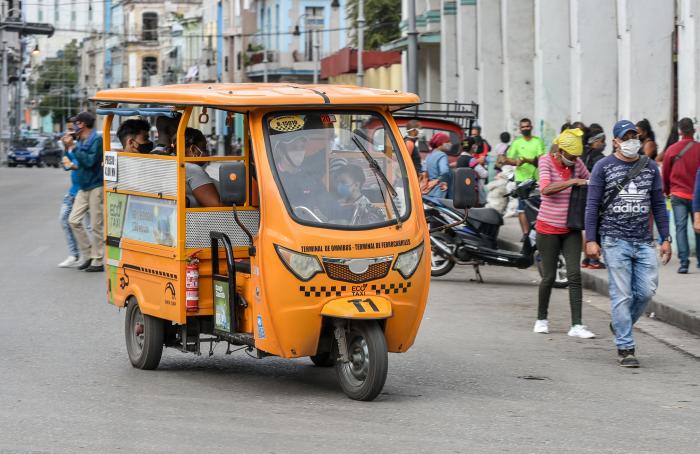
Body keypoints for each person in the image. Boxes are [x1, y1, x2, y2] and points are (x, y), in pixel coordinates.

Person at [585, 119, 672, 368]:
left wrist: (666, 238)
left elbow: (658, 204)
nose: (632, 142)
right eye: (626, 138)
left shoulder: (650, 168)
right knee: (621, 295)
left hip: (644, 240)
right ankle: (626, 347)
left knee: (646, 292)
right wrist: (591, 239)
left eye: (635, 137)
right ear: (615, 142)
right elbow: (592, 206)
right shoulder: (603, 167)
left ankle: (620, 324)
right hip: (614, 239)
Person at [532, 128, 594, 339]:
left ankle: (577, 324)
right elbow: (546, 188)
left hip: (571, 228)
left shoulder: (577, 164)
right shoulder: (545, 161)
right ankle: (541, 319)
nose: (574, 160)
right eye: (571, 156)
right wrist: (572, 182)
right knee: (549, 276)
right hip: (547, 228)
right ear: (559, 152)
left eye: (577, 157)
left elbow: (591, 180)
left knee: (575, 275)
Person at [67, 111, 105, 272]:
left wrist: (73, 148)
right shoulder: (81, 140)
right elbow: (81, 162)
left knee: (96, 225)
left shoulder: (96, 140)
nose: (73, 126)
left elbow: (89, 161)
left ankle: (98, 260)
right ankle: (88, 254)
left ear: (82, 124)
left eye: (76, 123)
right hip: (83, 187)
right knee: (73, 220)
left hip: (96, 186)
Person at [661, 117, 700, 273]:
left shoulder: (671, 150)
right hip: (697, 196)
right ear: (694, 130)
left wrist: (667, 190)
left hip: (677, 194)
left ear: (679, 132)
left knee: (680, 228)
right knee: (698, 226)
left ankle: (684, 263)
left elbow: (665, 173)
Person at [503, 118, 546, 234]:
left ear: (531, 127)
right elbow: (508, 158)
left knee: (538, 206)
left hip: (536, 179)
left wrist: (527, 160)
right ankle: (525, 234)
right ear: (520, 129)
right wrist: (515, 162)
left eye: (527, 126)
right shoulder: (517, 142)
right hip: (521, 179)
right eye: (523, 127)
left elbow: (540, 160)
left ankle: (538, 231)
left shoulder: (538, 141)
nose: (525, 129)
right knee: (522, 207)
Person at [57, 132, 84, 268]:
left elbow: (78, 165)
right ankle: (74, 255)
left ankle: (93, 255)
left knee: (91, 227)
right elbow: (66, 166)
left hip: (85, 191)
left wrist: (70, 163)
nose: (64, 137)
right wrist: (66, 152)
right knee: (64, 219)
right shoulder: (67, 150)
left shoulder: (79, 148)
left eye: (67, 135)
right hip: (73, 192)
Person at [183, 128, 221, 207]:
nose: (207, 154)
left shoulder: (177, 165)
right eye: (204, 148)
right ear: (193, 149)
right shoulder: (193, 170)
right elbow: (216, 206)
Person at [422, 132, 452, 198]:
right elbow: (444, 171)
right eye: (447, 142)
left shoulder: (428, 156)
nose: (450, 144)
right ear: (440, 143)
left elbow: (424, 170)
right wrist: (438, 180)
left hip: (428, 191)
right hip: (438, 193)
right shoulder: (442, 155)